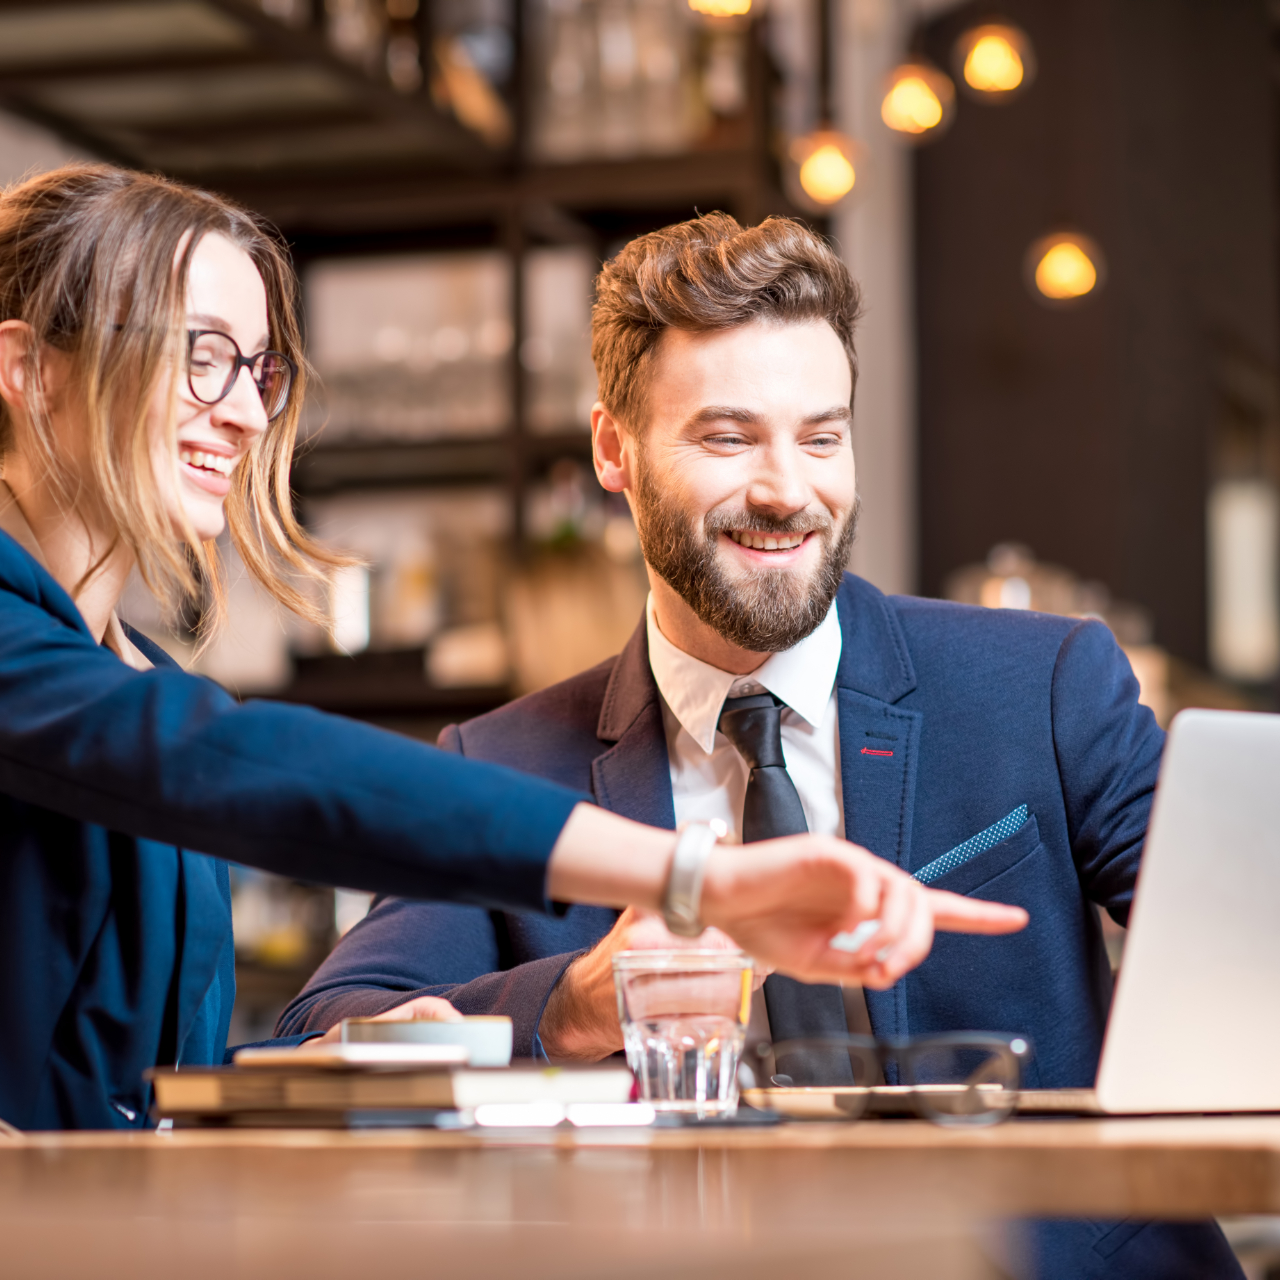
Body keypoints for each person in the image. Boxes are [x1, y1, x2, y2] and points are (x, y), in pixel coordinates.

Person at [279, 213, 1242, 1279]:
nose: (789, 490)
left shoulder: (1043, 683)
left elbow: (1242, 941)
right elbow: (321, 1036)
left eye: (821, 436)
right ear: (614, 449)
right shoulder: (499, 763)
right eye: (728, 437)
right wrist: (574, 1003)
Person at [0, 168, 1025, 1132]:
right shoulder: (72, 674)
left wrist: (348, 1060)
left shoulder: (140, 670)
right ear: (27, 368)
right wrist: (694, 879)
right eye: (198, 353)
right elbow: (253, 767)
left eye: (258, 366)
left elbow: (136, 1089)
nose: (241, 407)